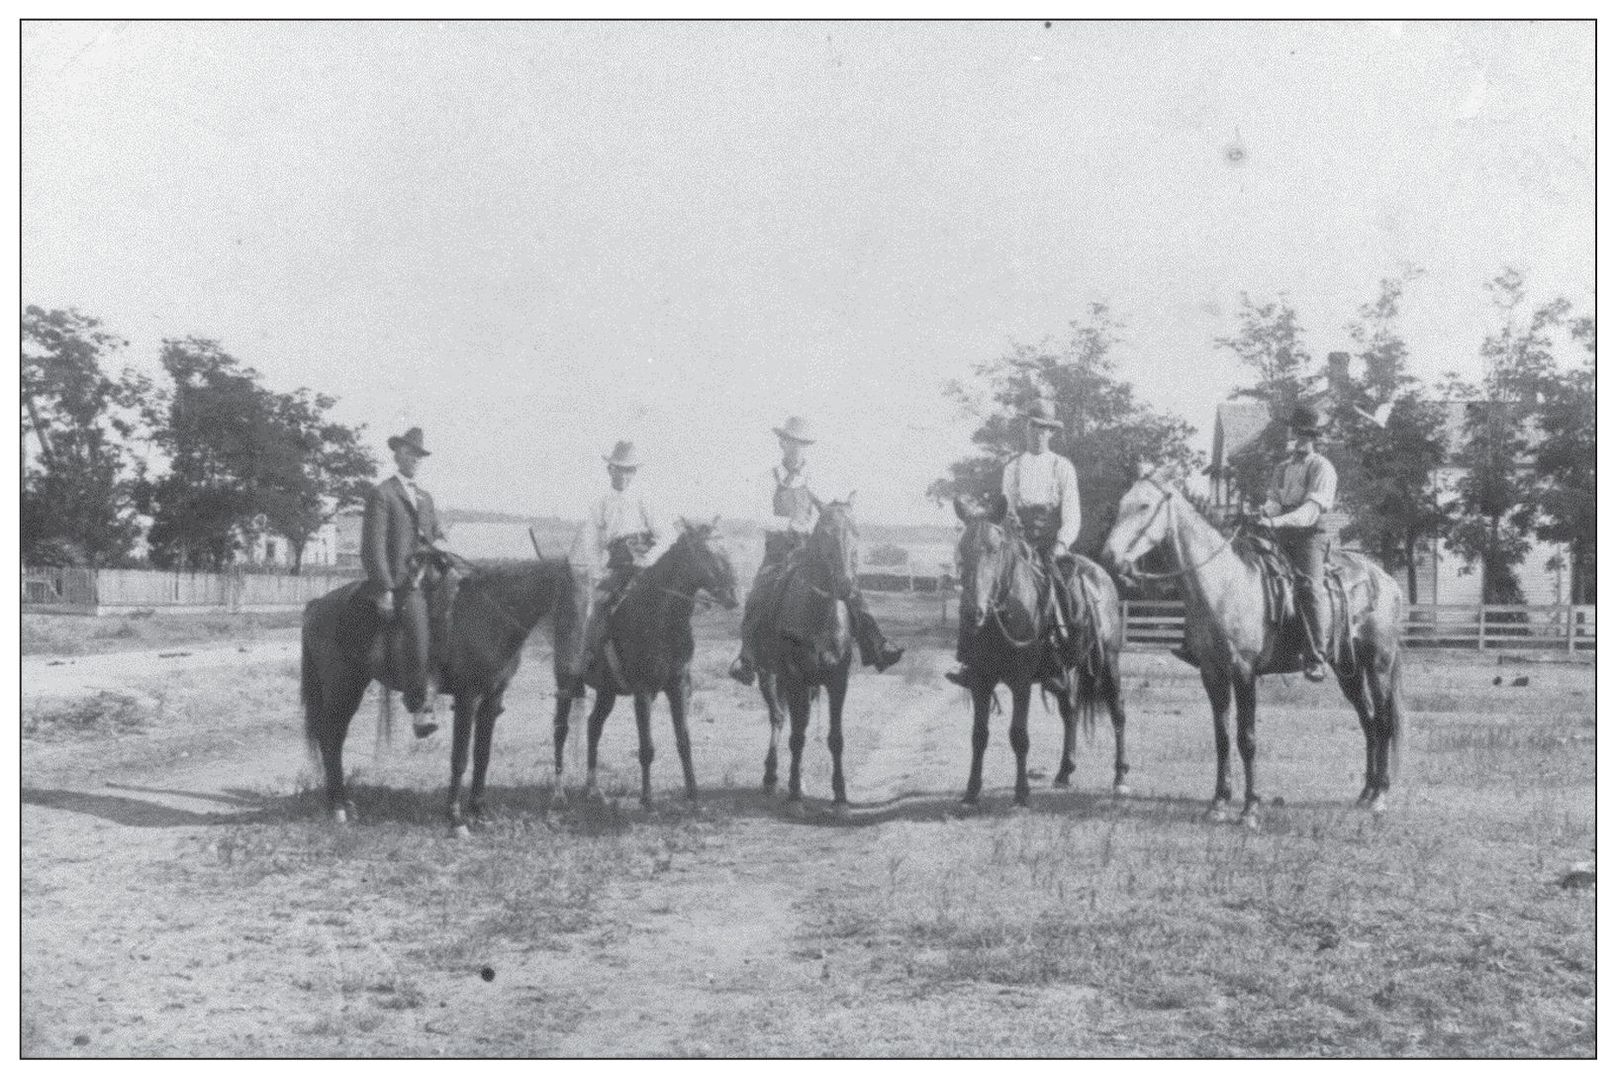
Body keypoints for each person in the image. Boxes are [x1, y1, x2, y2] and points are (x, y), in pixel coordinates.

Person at [728, 416, 904, 685]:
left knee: (849, 588)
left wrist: (814, 525)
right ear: (782, 443)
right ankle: (747, 658)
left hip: (812, 551)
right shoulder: (768, 477)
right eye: (791, 442)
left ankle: (876, 645)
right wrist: (789, 523)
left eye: (801, 444)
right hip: (779, 552)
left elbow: (830, 510)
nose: (796, 448)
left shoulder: (816, 478)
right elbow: (759, 516)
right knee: (758, 594)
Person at [947, 398, 1080, 693]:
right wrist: (1009, 540)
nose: (1039, 433)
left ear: (1052, 433)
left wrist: (1061, 543)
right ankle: (969, 660)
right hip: (1016, 542)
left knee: (1058, 587)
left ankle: (1056, 661)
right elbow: (1005, 511)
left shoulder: (1063, 467)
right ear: (1026, 427)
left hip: (1050, 542)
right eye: (1034, 426)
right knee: (978, 583)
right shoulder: (1013, 468)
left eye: (1045, 429)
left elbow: (1072, 514)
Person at [362, 427, 449, 738]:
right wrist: (384, 588)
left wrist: (442, 544)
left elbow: (436, 533)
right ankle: (419, 707)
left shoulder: (425, 498)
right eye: (409, 453)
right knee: (418, 626)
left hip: (431, 576)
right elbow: (373, 546)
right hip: (402, 583)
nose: (414, 459)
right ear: (397, 454)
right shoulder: (383, 494)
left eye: (419, 456)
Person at [568, 440, 671, 692]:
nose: (625, 475)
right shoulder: (600, 504)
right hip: (616, 569)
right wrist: (597, 571)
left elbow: (665, 535)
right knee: (594, 608)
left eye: (630, 470)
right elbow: (591, 543)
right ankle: (582, 665)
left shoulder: (645, 500)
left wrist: (648, 559)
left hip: (645, 569)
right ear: (610, 469)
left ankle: (672, 667)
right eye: (619, 469)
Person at [1259, 404, 1338, 681]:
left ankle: (1316, 655)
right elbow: (1273, 502)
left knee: (1307, 586)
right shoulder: (1281, 468)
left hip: (1310, 537)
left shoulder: (1322, 467)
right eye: (1296, 431)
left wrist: (1275, 522)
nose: (1299, 438)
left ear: (1314, 437)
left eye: (1306, 434)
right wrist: (1261, 514)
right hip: (1280, 534)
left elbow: (1309, 513)